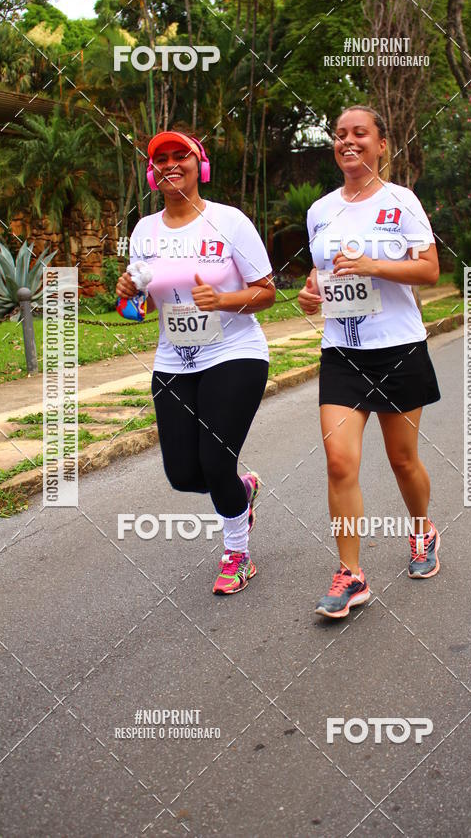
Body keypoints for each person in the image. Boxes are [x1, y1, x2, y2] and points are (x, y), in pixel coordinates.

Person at [116, 129, 275, 595]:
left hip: (235, 353)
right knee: (184, 474)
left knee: (215, 459)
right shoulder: (144, 231)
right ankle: (241, 492)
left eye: (179, 156)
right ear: (152, 173)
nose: (170, 164)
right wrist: (127, 295)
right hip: (174, 360)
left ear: (198, 164)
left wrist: (223, 300)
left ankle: (237, 554)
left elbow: (266, 291)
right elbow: (139, 308)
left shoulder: (229, 222)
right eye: (160, 158)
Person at [298, 105, 441, 618]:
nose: (348, 141)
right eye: (340, 135)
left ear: (382, 145)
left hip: (399, 347)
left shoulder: (401, 202)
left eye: (360, 134)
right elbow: (320, 279)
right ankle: (351, 573)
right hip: (342, 350)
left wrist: (373, 264)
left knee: (403, 460)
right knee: (340, 462)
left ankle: (422, 531)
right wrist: (310, 296)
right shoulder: (320, 210)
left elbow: (430, 269)